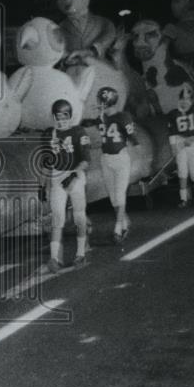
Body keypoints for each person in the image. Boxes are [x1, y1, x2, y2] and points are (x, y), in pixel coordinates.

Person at [42, 99, 92, 271]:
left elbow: (86, 159)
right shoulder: (49, 134)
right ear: (53, 116)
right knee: (57, 218)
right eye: (58, 116)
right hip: (57, 175)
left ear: (70, 116)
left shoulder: (78, 131)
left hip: (75, 174)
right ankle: (54, 258)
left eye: (65, 116)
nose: (61, 120)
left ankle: (80, 253)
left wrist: (73, 175)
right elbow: (46, 162)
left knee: (79, 215)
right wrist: (43, 184)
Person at [96, 86, 138, 243]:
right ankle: (125, 222)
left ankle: (118, 228)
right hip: (105, 159)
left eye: (101, 102)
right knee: (114, 198)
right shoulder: (101, 118)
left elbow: (133, 139)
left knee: (119, 195)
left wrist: (134, 155)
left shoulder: (123, 117)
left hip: (120, 158)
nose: (99, 105)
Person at [166, 82, 194, 207]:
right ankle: (184, 199)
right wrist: (173, 147)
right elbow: (172, 132)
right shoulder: (173, 114)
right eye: (183, 98)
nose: (185, 101)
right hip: (180, 142)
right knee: (182, 171)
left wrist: (193, 137)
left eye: (188, 99)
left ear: (192, 100)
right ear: (179, 99)